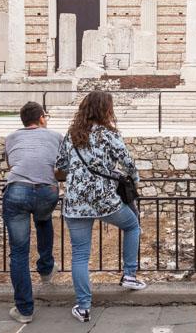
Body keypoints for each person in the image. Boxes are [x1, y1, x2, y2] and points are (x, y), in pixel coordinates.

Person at [55, 91, 146, 324]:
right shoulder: (109, 135)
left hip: (76, 203)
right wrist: (133, 179)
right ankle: (129, 274)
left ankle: (84, 307)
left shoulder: (72, 135)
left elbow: (60, 166)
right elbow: (128, 161)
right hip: (105, 200)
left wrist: (79, 175)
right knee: (132, 225)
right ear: (106, 110)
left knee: (80, 255)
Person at [3, 101, 64, 324]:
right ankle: (46, 268)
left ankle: (25, 310)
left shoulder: (11, 137)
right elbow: (61, 166)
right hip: (47, 190)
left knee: (18, 252)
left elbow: (12, 164)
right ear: (40, 119)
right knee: (43, 218)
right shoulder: (56, 136)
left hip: (18, 189)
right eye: (45, 116)